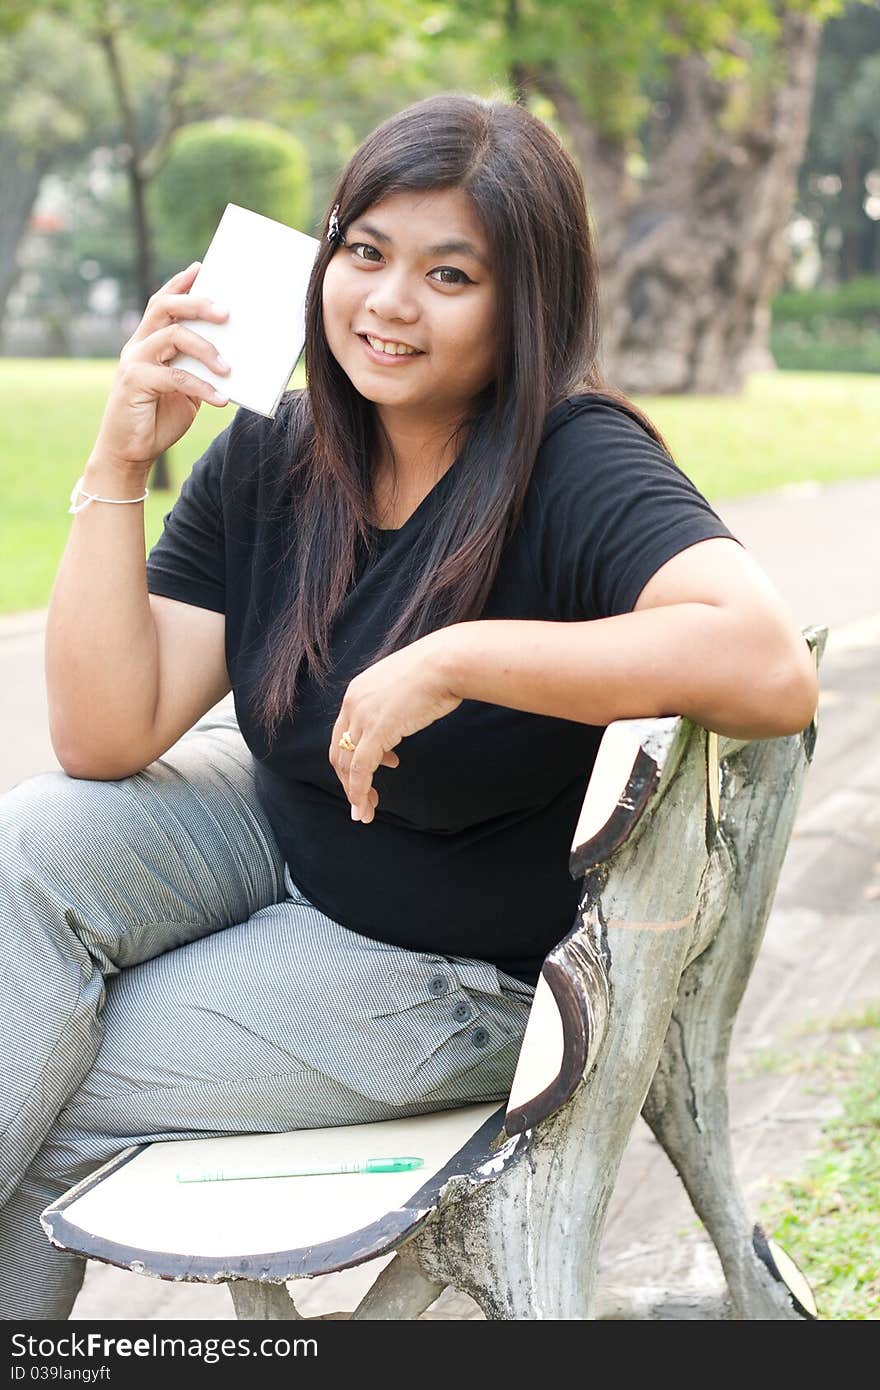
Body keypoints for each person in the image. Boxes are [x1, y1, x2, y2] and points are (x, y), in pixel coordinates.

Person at [0, 91, 818, 1321]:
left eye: (449, 274)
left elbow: (766, 665)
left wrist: (459, 656)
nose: (386, 303)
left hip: (453, 967)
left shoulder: (572, 459)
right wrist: (120, 461)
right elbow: (104, 735)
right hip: (283, 834)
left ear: (524, 304)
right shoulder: (278, 451)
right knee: (27, 851)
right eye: (365, 252)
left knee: (52, 1067)